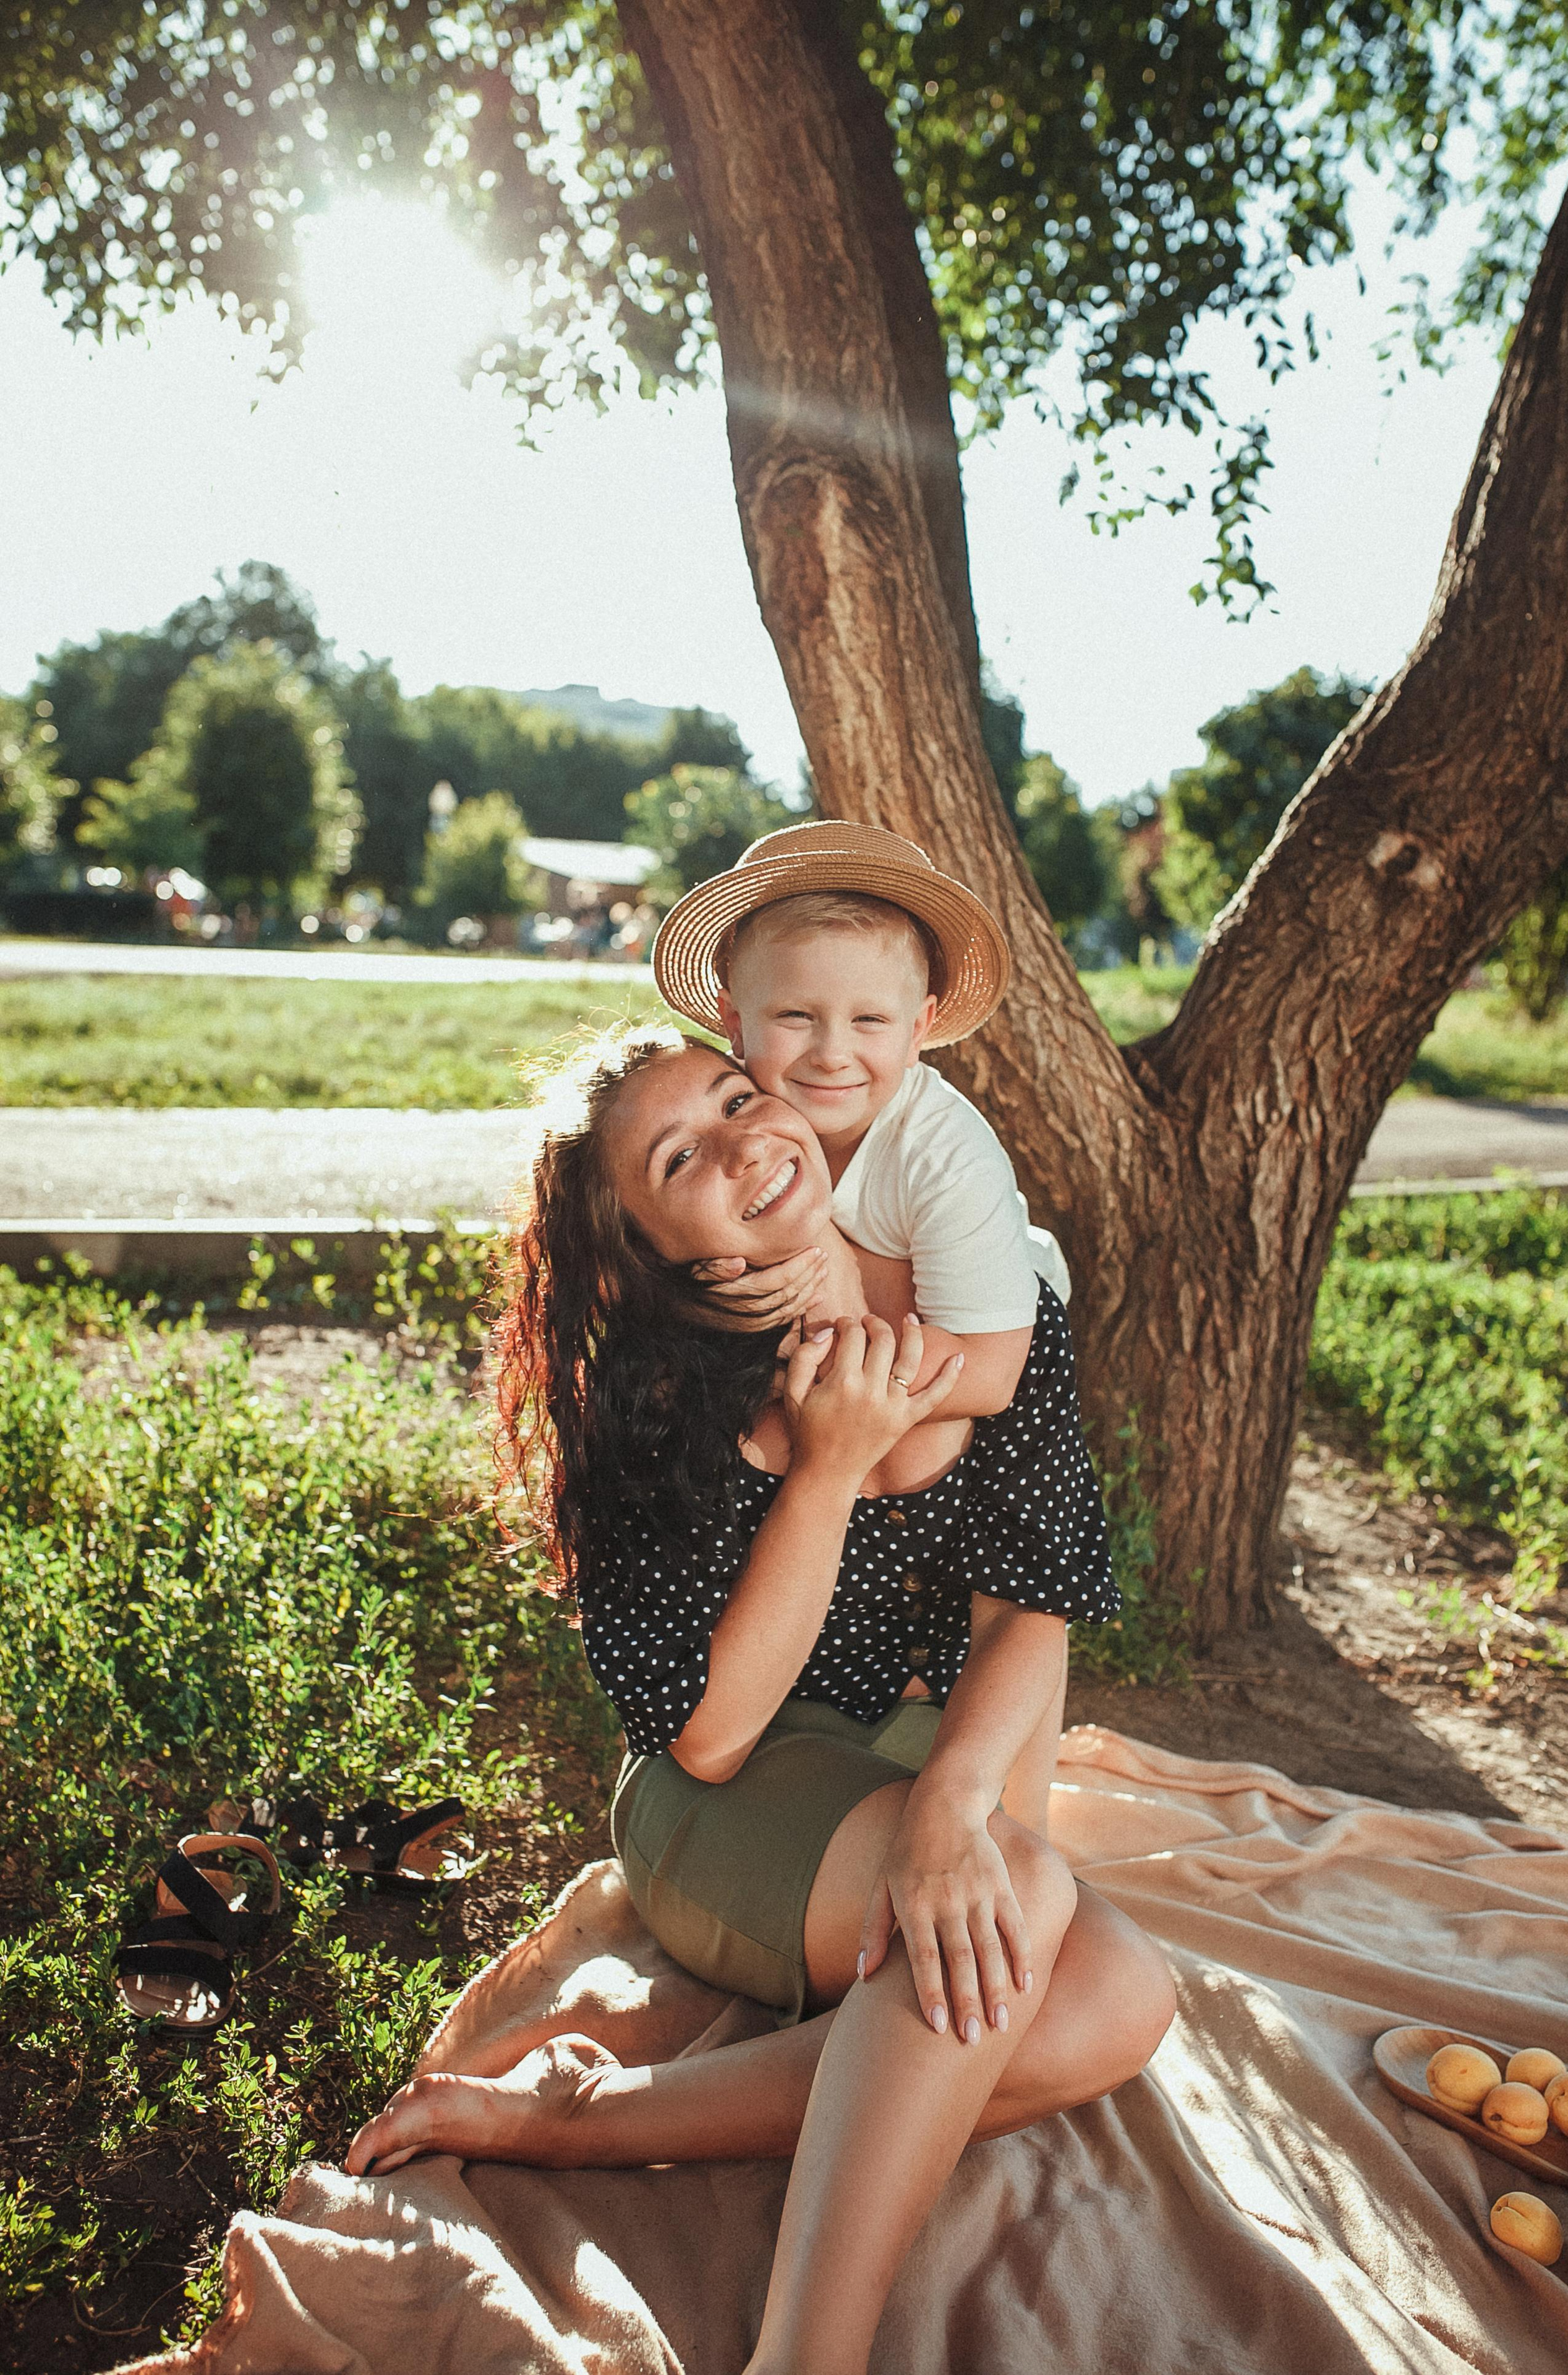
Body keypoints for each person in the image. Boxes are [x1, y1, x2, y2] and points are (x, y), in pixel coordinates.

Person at [346, 1024, 1175, 2375]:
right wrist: (828, 1468)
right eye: (684, 1155)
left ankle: (579, 2120)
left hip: (929, 1753)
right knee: (1018, 1912)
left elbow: (1032, 1603)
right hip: (723, 1800)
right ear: (670, 1253)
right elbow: (714, 1732)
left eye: (740, 1097)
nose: (746, 1143)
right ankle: (808, 2353)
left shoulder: (989, 1309)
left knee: (1115, 2003)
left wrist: (951, 1805)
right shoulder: (655, 1406)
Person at [651, 818, 1070, 1428]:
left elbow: (988, 1374)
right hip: (873, 1339)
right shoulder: (728, 1120)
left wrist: (787, 1381)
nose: (831, 1054)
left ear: (917, 1033)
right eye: (795, 1014)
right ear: (735, 1022)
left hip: (992, 1350)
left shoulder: (947, 1155)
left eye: (869, 1020)